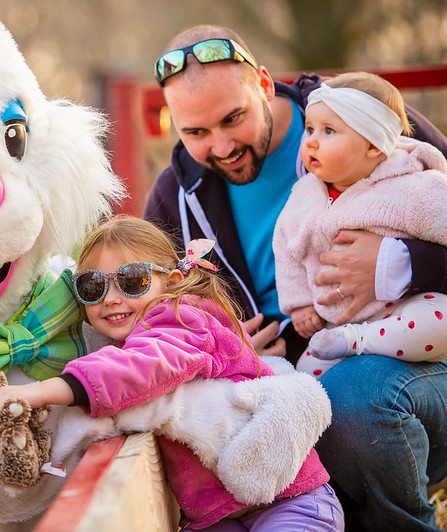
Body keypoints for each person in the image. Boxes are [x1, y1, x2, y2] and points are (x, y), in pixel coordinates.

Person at [143, 24, 447, 531]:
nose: (221, 146)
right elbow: (153, 313)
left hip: (415, 364)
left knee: (349, 399)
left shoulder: (356, 111)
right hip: (291, 387)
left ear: (264, 84)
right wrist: (225, 345)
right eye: (195, 132)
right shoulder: (174, 198)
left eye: (233, 118)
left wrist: (403, 262)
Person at [0, 215, 343, 531]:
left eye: (132, 280)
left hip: (290, 501)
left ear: (170, 281)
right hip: (218, 516)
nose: (110, 298)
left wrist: (43, 391)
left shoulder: (182, 319)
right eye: (92, 286)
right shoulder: (135, 338)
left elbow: (146, 365)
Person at [273, 72, 447, 378]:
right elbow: (286, 248)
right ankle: (349, 346)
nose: (311, 141)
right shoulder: (303, 195)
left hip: (402, 308)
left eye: (328, 131)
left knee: (438, 319)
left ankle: (363, 343)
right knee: (305, 370)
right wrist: (299, 305)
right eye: (310, 128)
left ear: (373, 146)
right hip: (338, 324)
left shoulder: (412, 188)